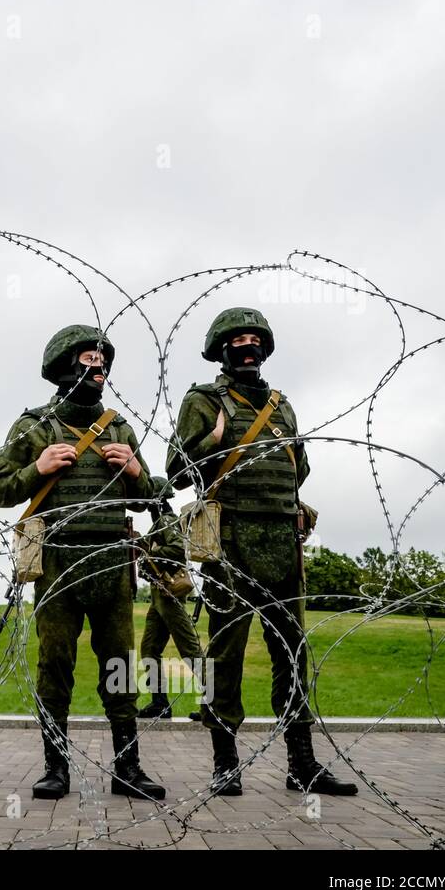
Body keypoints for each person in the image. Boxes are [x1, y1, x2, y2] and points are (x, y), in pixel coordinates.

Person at [167, 307, 357, 797]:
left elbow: (300, 467)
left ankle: (302, 763)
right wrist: (206, 443)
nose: (247, 345)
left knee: (292, 654)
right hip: (229, 545)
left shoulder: (281, 404)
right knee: (226, 656)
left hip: (282, 544)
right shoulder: (203, 399)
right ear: (221, 348)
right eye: (238, 339)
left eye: (255, 338)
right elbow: (175, 469)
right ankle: (226, 761)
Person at [0, 324, 165, 801]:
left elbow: (148, 499)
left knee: (120, 668)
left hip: (110, 562)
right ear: (66, 366)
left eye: (103, 360)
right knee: (55, 665)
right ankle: (56, 769)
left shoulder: (120, 427)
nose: (99, 367)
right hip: (59, 563)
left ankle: (128, 768)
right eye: (89, 358)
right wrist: (37, 468)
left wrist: (134, 472)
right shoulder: (35, 426)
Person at [135, 477, 204, 719]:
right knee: (149, 648)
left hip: (170, 596)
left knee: (191, 650)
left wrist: (148, 554)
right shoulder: (160, 522)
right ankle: (159, 703)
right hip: (160, 597)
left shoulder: (166, 520)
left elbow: (178, 550)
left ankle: (215, 705)